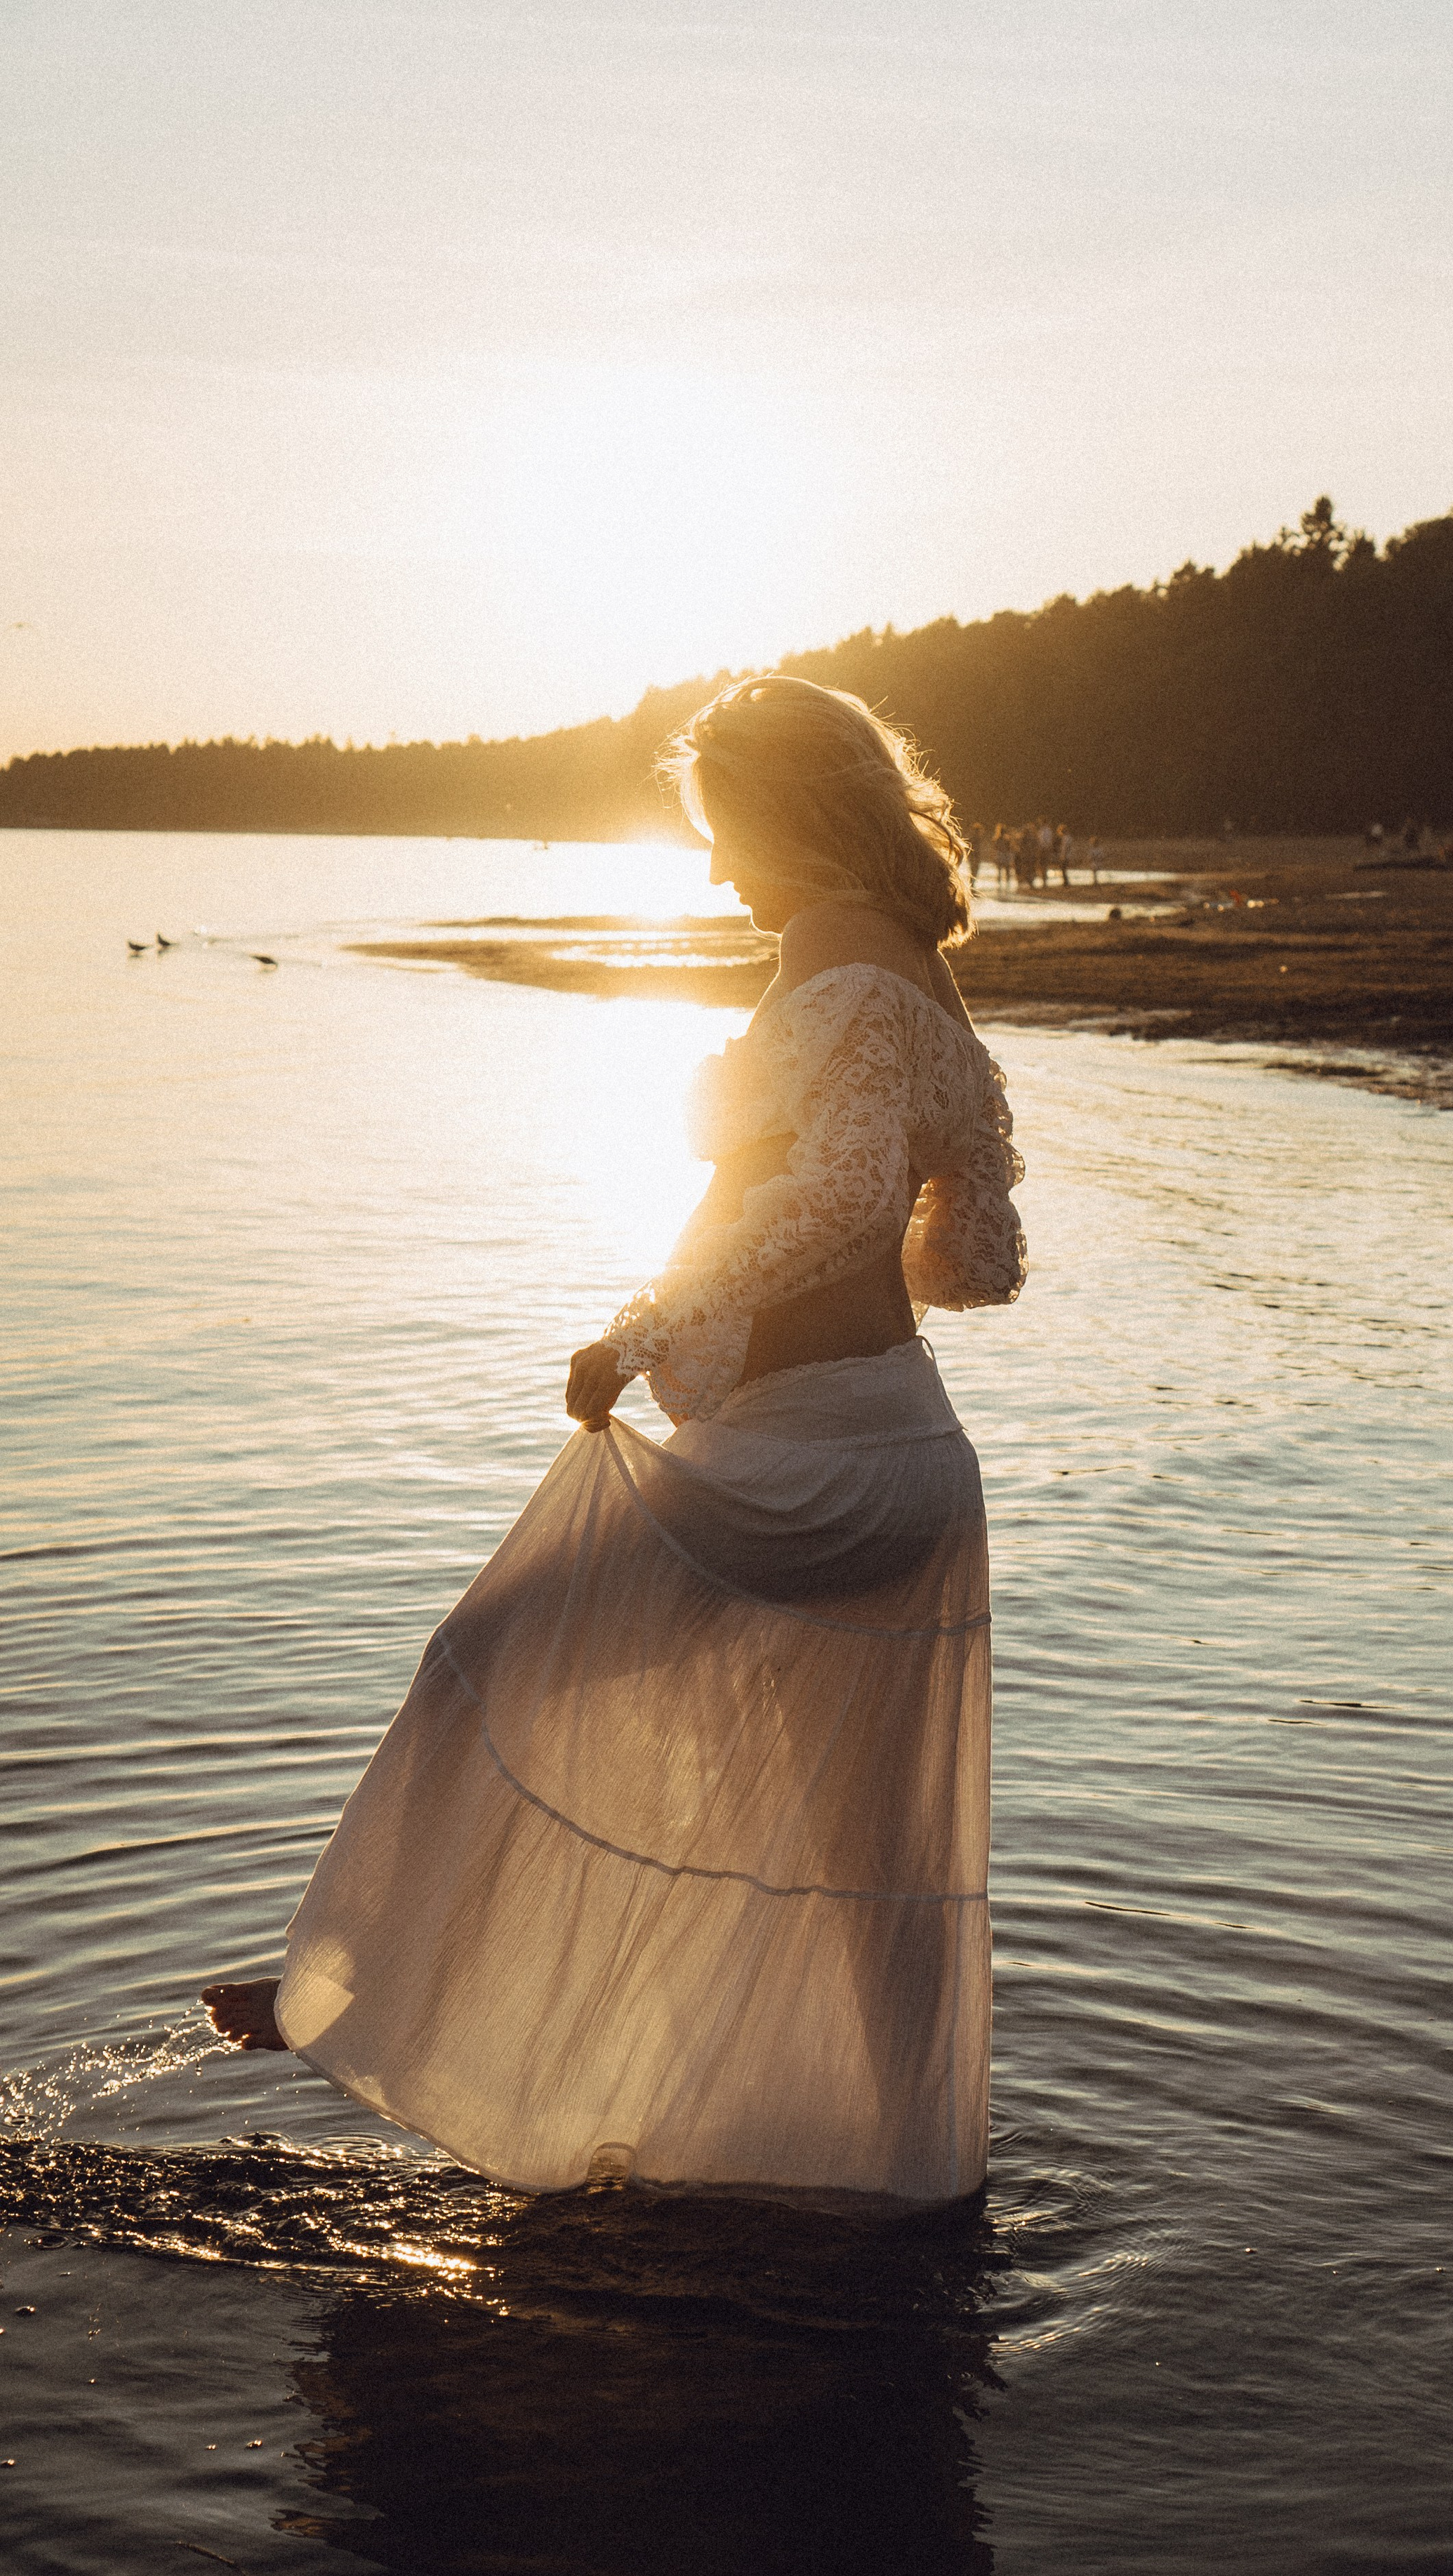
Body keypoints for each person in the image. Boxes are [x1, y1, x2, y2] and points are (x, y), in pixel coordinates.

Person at [204, 676, 1028, 2206]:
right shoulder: (916, 969)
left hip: (817, 1469)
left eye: (726, 835)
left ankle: (355, 1995)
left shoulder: (834, 962)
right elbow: (969, 1253)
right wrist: (819, 1230)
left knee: (492, 1655)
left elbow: (846, 1205)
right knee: (872, 1885)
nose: (718, 872)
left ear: (787, 811)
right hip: (911, 1459)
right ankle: (913, 2188)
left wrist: (647, 1326)